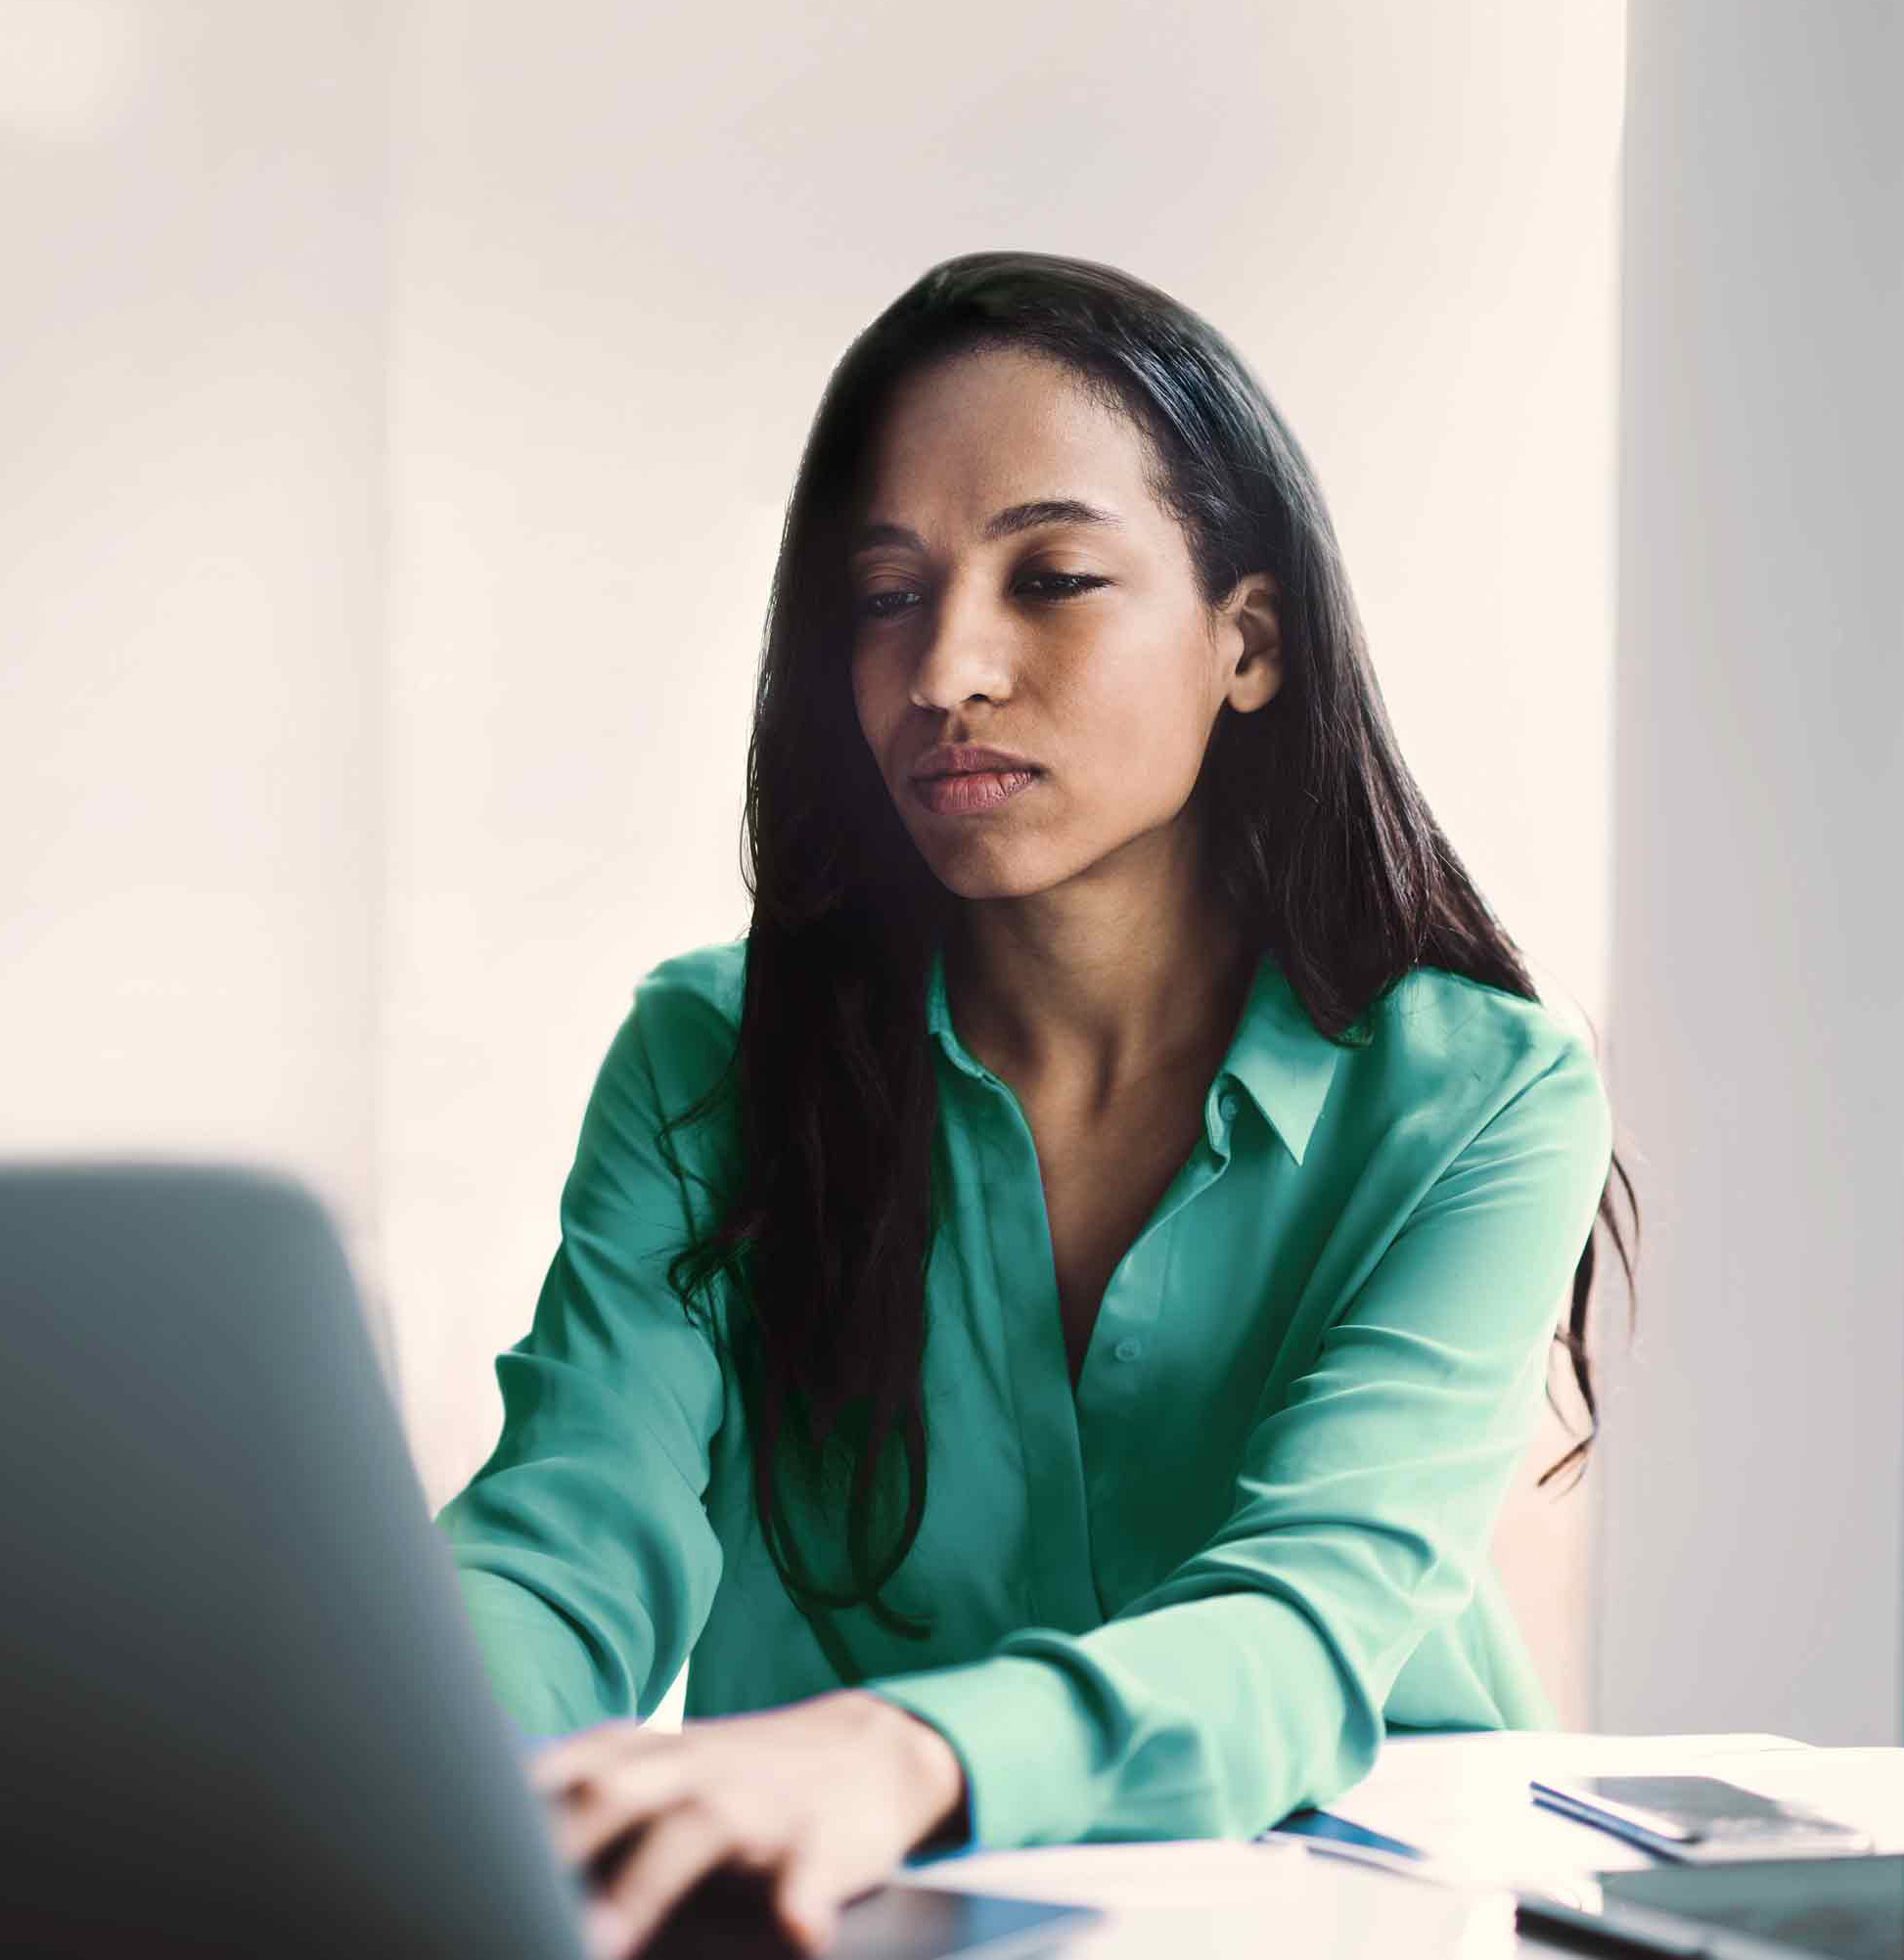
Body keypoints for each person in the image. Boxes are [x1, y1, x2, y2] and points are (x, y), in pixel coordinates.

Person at [436, 251, 1642, 1956]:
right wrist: (392, 1760)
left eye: (1055, 575)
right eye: (880, 595)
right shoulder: (704, 1057)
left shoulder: (1479, 1098)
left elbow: (1300, 1623)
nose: (944, 671)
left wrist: (888, 1750)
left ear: (1248, 639)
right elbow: (568, 1544)